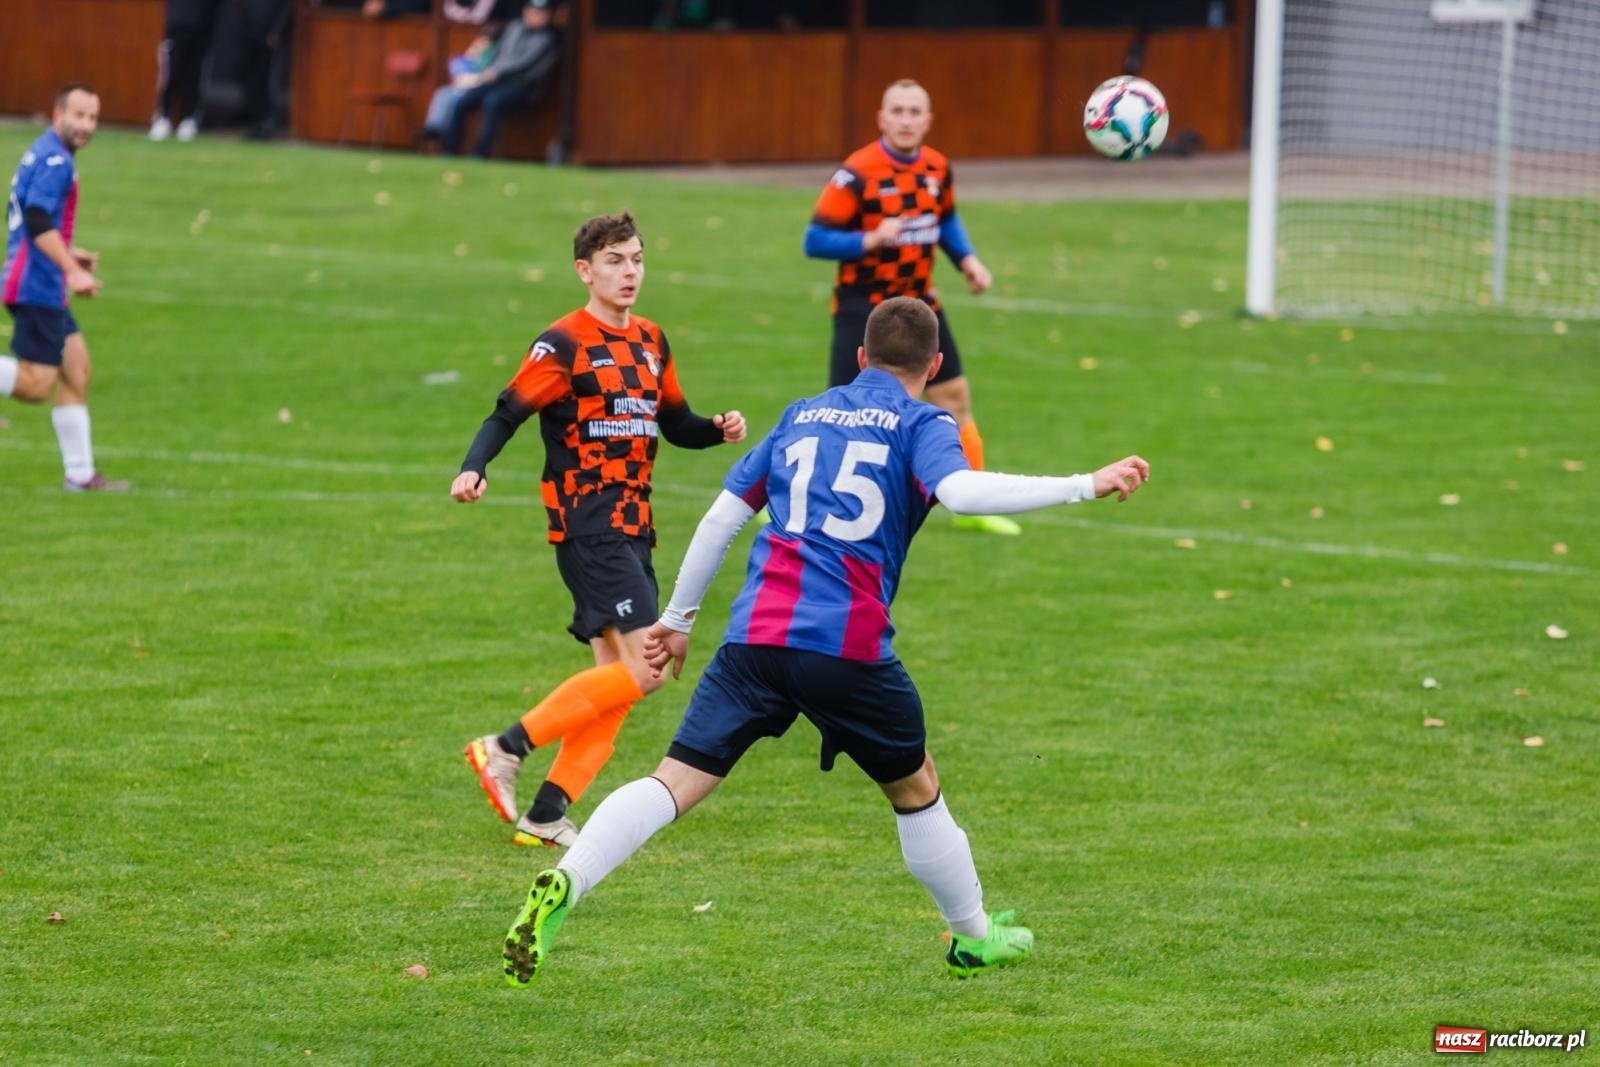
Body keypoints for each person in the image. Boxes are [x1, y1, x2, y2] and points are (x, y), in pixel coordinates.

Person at [500, 296, 1150, 987]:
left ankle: (569, 879)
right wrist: (1084, 483)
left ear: (861, 358)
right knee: (916, 782)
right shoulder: (922, 419)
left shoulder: (801, 413)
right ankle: (973, 937)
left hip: (754, 638)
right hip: (847, 648)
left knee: (675, 779)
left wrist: (679, 622)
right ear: (933, 366)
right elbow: (959, 492)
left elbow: (722, 517)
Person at [453, 212, 746, 848]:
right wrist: (474, 467)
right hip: (589, 524)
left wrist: (715, 428)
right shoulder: (562, 343)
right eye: (615, 260)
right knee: (646, 668)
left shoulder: (651, 341)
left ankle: (546, 813)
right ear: (586, 270)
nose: (630, 271)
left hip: (635, 526)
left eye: (637, 259)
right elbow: (507, 413)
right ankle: (504, 746)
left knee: (616, 681)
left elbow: (674, 421)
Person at [805, 78, 1018, 537]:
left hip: (921, 309)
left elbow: (944, 219)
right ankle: (790, 497)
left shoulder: (938, 169)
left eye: (913, 112)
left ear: (928, 121)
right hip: (864, 310)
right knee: (839, 414)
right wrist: (869, 239)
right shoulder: (856, 173)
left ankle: (973, 502)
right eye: (896, 111)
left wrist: (968, 261)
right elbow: (815, 239)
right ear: (882, 119)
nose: (905, 120)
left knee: (955, 397)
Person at [2, 84, 127, 493]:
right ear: (58, 115)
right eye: (78, 115)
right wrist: (71, 269)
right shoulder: (56, 160)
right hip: (36, 284)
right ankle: (80, 474)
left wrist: (71, 253)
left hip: (42, 279)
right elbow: (37, 219)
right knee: (37, 385)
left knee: (77, 369)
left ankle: (80, 475)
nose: (86, 125)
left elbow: (28, 220)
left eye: (93, 117)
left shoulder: (44, 150)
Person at [432, 0, 562, 159]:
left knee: (493, 102)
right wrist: (485, 69)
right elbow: (497, 53)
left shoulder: (547, 40)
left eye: (540, 13)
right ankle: (449, 151)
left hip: (522, 87)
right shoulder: (515, 28)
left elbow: (524, 65)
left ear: (548, 17)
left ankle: (481, 154)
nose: (534, 16)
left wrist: (497, 72)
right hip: (495, 81)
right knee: (461, 101)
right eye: (531, 11)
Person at [149, 0, 224, 142]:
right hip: (177, 25)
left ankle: (189, 119)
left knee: (195, 75)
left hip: (203, 28)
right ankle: (163, 117)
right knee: (172, 73)